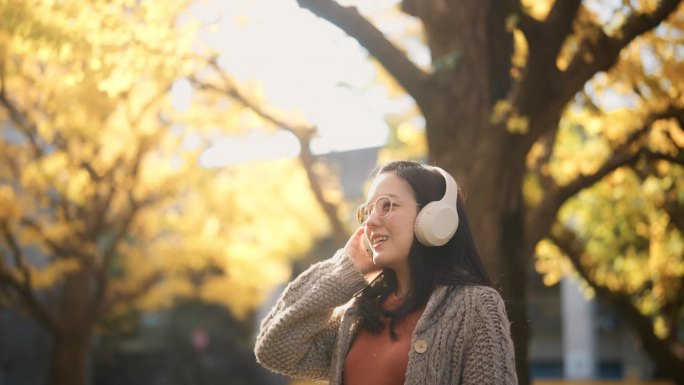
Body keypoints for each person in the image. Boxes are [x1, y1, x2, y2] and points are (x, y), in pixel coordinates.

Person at [254, 160, 517, 385]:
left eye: (387, 205)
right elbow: (274, 347)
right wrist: (344, 269)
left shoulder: (474, 306)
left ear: (434, 218)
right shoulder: (358, 314)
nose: (370, 221)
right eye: (367, 211)